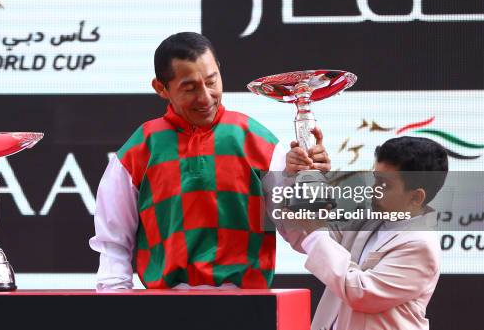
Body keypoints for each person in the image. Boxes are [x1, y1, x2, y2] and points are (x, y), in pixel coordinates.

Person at [89, 32, 331, 289]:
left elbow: (303, 232)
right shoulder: (138, 150)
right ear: (161, 88)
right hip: (162, 311)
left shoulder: (258, 141)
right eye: (190, 88)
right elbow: (113, 246)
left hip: (248, 311)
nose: (205, 97)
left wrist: (311, 181)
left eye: (211, 82)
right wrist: (114, 311)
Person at [281, 136, 448, 330]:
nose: (373, 189)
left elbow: (361, 293)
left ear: (415, 197)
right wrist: (301, 175)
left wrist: (317, 231)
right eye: (375, 178)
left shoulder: (421, 245)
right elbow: (302, 235)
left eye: (384, 184)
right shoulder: (369, 221)